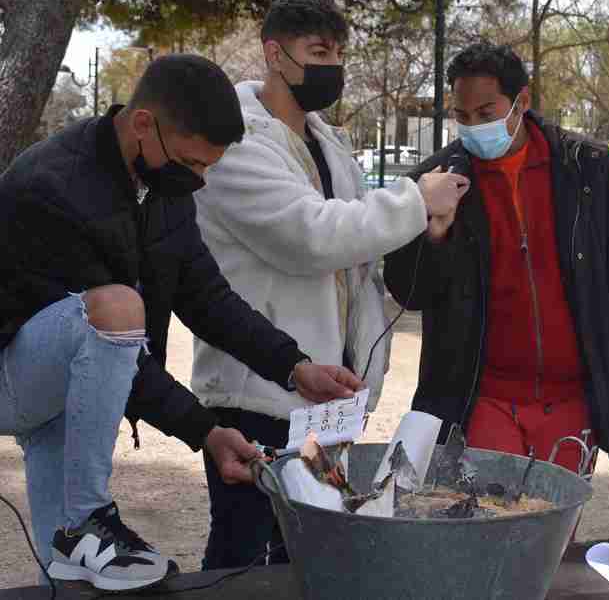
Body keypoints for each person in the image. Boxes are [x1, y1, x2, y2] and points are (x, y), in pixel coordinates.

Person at [0, 54, 362, 592]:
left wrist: (294, 366)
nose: (199, 180)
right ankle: (87, 520)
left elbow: (206, 297)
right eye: (193, 164)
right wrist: (206, 431)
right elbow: (117, 348)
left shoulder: (161, 183)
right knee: (119, 309)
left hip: (60, 387)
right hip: (13, 373)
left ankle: (74, 539)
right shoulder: (53, 186)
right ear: (143, 123)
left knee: (70, 577)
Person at [191, 0, 468, 571]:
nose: (332, 66)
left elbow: (358, 257)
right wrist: (416, 199)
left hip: (329, 396)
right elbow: (311, 236)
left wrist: (427, 228)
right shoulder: (234, 143)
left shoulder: (330, 143)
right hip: (258, 392)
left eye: (339, 52)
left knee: (310, 548)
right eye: (317, 51)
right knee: (245, 552)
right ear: (273, 54)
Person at [383, 42, 609, 474]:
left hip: (573, 399)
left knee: (553, 528)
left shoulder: (586, 167)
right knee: (487, 526)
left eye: (486, 112)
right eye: (462, 116)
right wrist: (433, 237)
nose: (474, 126)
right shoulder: (435, 180)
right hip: (482, 398)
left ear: (522, 102)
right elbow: (408, 292)